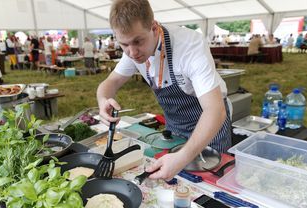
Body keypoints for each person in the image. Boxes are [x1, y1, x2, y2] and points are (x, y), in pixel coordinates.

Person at [96, 0, 231, 181]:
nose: (132, 53)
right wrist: (103, 99)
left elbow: (215, 110)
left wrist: (182, 157)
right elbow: (110, 82)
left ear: (153, 27)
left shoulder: (189, 46)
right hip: (175, 125)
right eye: (124, 45)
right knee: (179, 182)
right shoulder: (133, 48)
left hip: (210, 125)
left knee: (210, 183)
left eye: (138, 41)